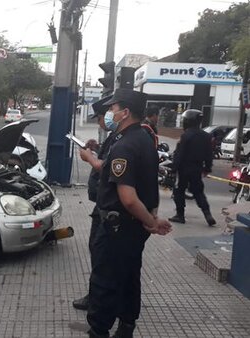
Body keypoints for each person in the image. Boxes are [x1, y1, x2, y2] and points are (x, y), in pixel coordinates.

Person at [79, 89, 172, 338]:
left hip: (117, 227)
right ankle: (126, 327)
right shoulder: (142, 139)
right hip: (133, 227)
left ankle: (99, 331)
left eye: (112, 108)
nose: (109, 113)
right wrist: (150, 220)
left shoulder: (126, 145)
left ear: (125, 112)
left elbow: (129, 198)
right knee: (130, 276)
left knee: (104, 282)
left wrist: (152, 221)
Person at [73, 95, 114, 311]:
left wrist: (89, 157)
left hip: (109, 209)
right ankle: (97, 296)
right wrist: (95, 149)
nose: (100, 121)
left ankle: (98, 300)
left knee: (100, 254)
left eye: (100, 116)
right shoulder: (114, 137)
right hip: (103, 205)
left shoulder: (124, 138)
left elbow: (106, 167)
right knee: (98, 253)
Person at [168, 109, 216, 226]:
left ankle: (180, 215)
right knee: (198, 192)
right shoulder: (206, 136)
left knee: (179, 191)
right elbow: (209, 154)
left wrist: (173, 169)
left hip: (183, 169)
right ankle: (207, 214)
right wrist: (207, 168)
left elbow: (179, 154)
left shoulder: (186, 136)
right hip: (197, 168)